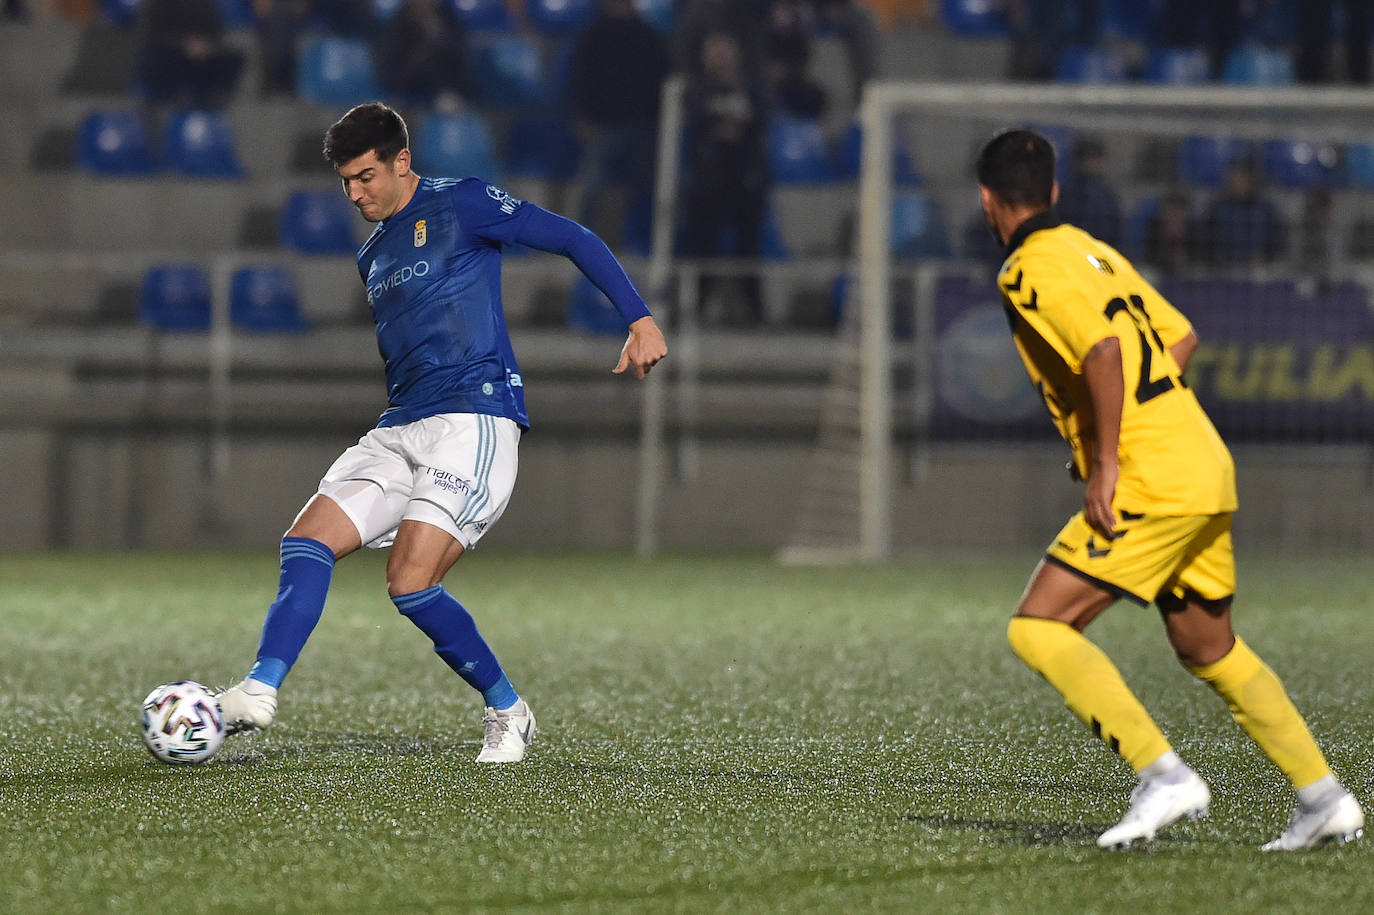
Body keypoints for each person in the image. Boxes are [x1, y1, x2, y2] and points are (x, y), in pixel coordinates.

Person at [214, 102, 667, 763]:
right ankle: (260, 688)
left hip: (474, 419)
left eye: (366, 175)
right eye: (345, 181)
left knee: (409, 582)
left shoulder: (464, 203)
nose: (355, 192)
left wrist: (640, 318)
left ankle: (509, 709)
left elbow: (574, 238)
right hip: (401, 425)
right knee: (305, 541)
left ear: (402, 161)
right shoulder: (371, 254)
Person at [975, 128, 1363, 850]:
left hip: (1153, 473)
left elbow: (1103, 349)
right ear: (1054, 191)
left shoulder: (1028, 267)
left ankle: (1162, 774)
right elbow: (1177, 336)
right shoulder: (1096, 252)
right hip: (1202, 460)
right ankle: (1324, 796)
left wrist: (1110, 459)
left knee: (1038, 626)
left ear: (987, 199)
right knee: (1207, 645)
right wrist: (1110, 438)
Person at [682, 31, 772, 325]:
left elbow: (762, 121)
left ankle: (754, 311)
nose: (720, 58)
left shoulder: (752, 89)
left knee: (748, 247)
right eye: (714, 52)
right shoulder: (696, 90)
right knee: (703, 246)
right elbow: (695, 121)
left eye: (724, 51)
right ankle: (694, 309)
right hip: (708, 179)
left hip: (745, 178)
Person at [565, 0, 669, 240]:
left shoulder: (647, 35)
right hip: (603, 126)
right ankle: (576, 242)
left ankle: (642, 242)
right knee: (592, 186)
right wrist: (583, 119)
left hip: (643, 127)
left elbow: (661, 79)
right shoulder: (593, 34)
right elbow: (579, 80)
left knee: (646, 189)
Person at [135, 0, 245, 108]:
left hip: (202, 53)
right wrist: (184, 44)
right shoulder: (159, 4)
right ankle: (171, 97)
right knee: (160, 57)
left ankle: (213, 97)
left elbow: (216, 32)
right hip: (170, 53)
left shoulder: (206, 5)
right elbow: (154, 34)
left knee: (234, 57)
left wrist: (206, 45)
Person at [373, 0, 474, 109]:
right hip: (410, 93)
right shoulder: (398, 26)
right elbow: (392, 69)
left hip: (449, 92)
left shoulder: (448, 19)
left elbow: (459, 57)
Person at [1198, 158, 1288, 269]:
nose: (1238, 183)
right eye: (1235, 179)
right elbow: (1206, 239)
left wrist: (1266, 256)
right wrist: (1217, 258)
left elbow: (1278, 240)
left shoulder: (1266, 209)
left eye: (1242, 179)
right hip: (1223, 270)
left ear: (1250, 180)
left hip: (1259, 270)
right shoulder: (1217, 208)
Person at [1054, 136, 1122, 250]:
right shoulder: (1066, 193)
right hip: (1070, 249)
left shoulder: (1107, 196)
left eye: (1095, 158)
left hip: (1099, 250)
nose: (1091, 164)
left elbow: (1115, 230)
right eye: (1087, 158)